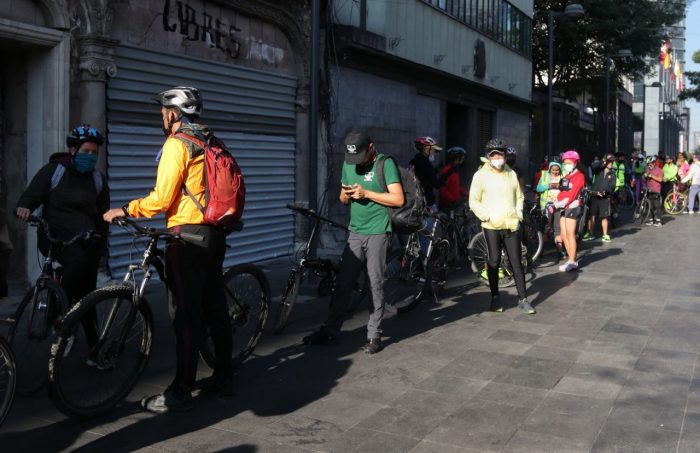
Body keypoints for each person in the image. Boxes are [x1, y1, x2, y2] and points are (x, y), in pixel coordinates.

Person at [103, 86, 234, 413]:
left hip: (187, 239)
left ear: (173, 113)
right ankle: (224, 377)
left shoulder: (178, 144)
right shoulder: (210, 140)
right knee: (215, 307)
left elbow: (161, 199)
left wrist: (126, 209)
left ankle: (181, 388)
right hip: (214, 235)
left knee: (186, 316)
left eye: (163, 111)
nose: (161, 116)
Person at [302, 131, 404, 354]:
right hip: (355, 231)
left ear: (371, 147)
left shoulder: (385, 164)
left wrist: (366, 193)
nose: (355, 162)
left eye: (360, 156)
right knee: (343, 282)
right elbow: (342, 198)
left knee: (374, 283)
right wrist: (348, 194)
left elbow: (398, 199)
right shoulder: (349, 164)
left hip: (378, 231)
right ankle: (331, 329)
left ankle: (374, 334)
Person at [16, 124, 109, 310]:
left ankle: (89, 330)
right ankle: (59, 308)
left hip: (86, 237)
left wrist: (101, 240)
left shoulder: (98, 179)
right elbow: (32, 194)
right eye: (86, 151)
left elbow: (103, 214)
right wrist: (24, 207)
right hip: (55, 237)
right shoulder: (54, 170)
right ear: (73, 150)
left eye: (94, 152)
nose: (90, 156)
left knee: (89, 290)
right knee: (77, 261)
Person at [469, 138, 534, 315]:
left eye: (501, 154)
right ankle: (495, 297)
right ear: (488, 156)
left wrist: (518, 214)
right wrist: (486, 216)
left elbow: (519, 197)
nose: (498, 157)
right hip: (491, 225)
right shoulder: (480, 175)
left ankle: (523, 299)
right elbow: (473, 200)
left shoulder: (511, 174)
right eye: (494, 154)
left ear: (505, 156)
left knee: (516, 262)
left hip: (511, 224)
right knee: (494, 261)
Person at [554, 150, 585, 272]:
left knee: (570, 234)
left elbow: (572, 194)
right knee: (563, 234)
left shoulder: (579, 176)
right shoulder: (567, 176)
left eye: (569, 162)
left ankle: (572, 261)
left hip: (573, 206)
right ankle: (571, 259)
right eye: (565, 163)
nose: (566, 165)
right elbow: (562, 192)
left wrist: (560, 203)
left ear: (575, 162)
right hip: (563, 207)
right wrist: (557, 202)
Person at [585, 154, 616, 242]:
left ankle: (605, 235)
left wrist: (605, 192)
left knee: (604, 217)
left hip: (604, 198)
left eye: (612, 162)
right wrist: (604, 160)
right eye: (609, 162)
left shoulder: (613, 174)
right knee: (592, 215)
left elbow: (612, 186)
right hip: (594, 196)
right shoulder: (599, 170)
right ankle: (590, 233)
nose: (611, 164)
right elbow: (593, 166)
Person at [410, 136, 443, 209]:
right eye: (433, 150)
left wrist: (435, 171)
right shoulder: (426, 164)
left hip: (415, 200)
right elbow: (436, 183)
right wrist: (444, 178)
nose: (434, 153)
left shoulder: (414, 161)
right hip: (426, 201)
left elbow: (422, 176)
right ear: (427, 149)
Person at [438, 146, 467, 211]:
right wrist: (452, 200)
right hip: (447, 206)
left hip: (453, 206)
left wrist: (467, 193)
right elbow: (442, 188)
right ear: (457, 158)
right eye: (462, 158)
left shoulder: (454, 170)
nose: (463, 160)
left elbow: (454, 186)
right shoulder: (448, 170)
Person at [643, 155, 664, 226]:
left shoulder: (659, 170)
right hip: (649, 189)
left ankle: (659, 221)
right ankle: (651, 219)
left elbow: (660, 179)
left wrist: (652, 176)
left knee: (657, 206)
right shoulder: (648, 169)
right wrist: (645, 176)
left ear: (654, 163)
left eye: (650, 164)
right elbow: (645, 179)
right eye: (648, 165)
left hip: (656, 190)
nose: (649, 166)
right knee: (650, 206)